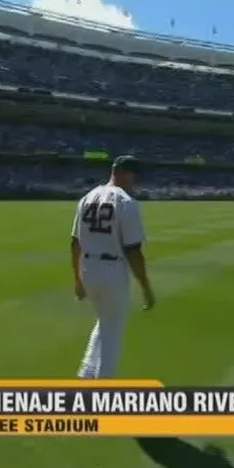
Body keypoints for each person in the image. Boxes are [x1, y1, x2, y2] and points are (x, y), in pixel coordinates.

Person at [70, 155, 155, 379]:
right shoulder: (126, 202)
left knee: (104, 321)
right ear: (122, 173)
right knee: (113, 335)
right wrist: (146, 287)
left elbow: (75, 242)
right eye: (133, 176)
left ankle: (86, 374)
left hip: (88, 268)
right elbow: (133, 250)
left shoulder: (87, 197)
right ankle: (104, 387)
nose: (134, 182)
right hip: (112, 270)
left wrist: (78, 279)